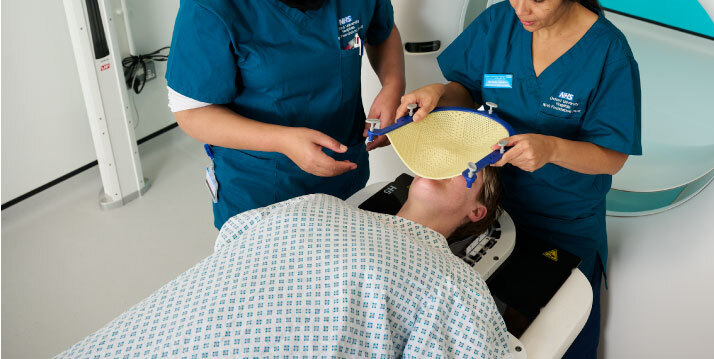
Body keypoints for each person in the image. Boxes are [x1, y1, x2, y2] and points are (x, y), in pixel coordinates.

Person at [397, 0, 642, 358]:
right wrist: (439, 93)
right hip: (487, 204)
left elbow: (612, 155)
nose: (521, 10)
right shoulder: (498, 24)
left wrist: (551, 148)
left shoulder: (609, 54)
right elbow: (465, 88)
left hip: (561, 219)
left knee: (555, 332)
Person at [166, 0, 405, 229]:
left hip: (344, 163)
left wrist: (392, 86)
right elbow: (191, 112)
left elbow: (382, 30)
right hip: (262, 183)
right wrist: (283, 141)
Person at [58, 169, 509, 359]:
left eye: (470, 166)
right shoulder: (320, 203)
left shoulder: (454, 282)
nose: (451, 162)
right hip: (157, 333)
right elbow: (231, 243)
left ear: (478, 211)